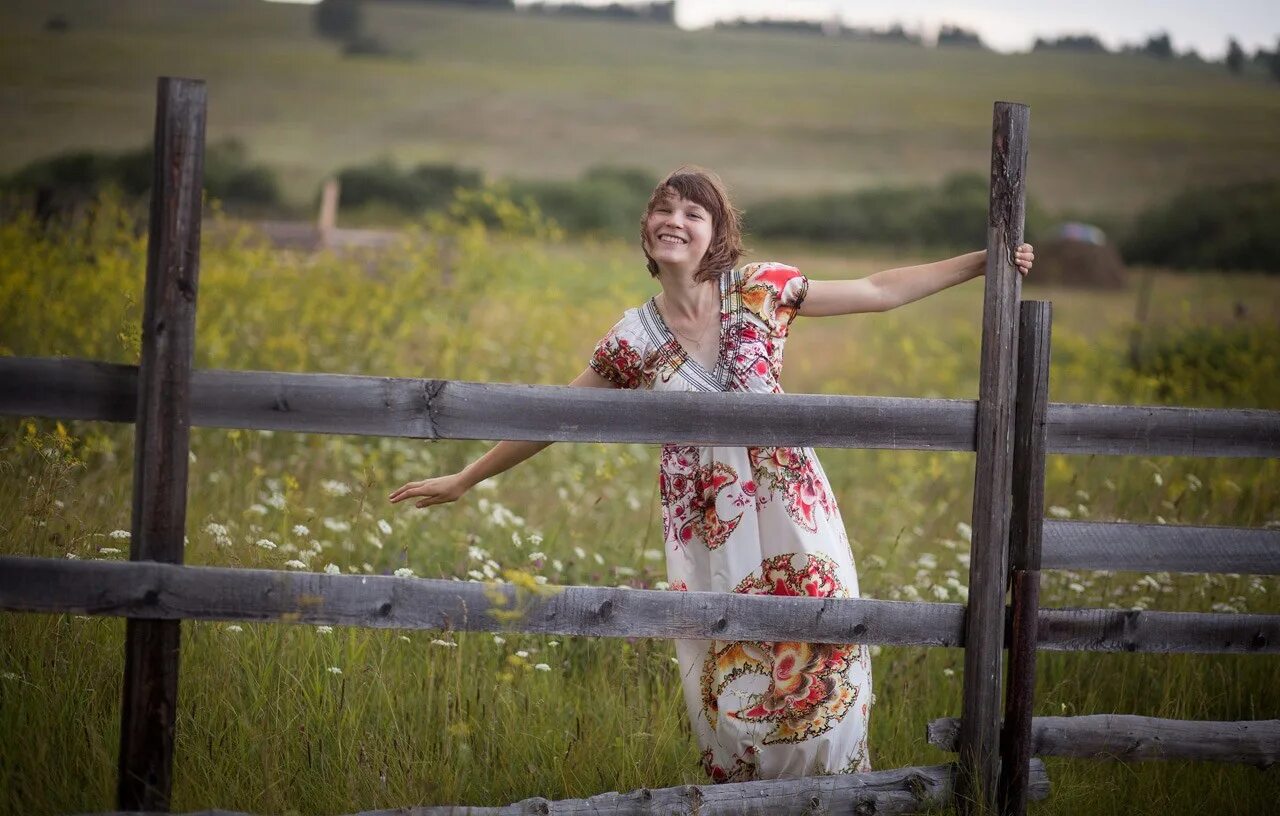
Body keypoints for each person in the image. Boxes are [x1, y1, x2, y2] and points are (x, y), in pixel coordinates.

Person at [389, 166, 1034, 783]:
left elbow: (878, 290)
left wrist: (983, 261)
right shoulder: (632, 339)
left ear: (717, 233)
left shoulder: (762, 289)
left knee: (821, 643)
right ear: (646, 229)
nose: (674, 220)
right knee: (728, 664)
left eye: (692, 212)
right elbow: (557, 418)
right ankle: (747, 798)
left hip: (789, 501)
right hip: (707, 525)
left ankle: (832, 793)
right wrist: (464, 479)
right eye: (662, 209)